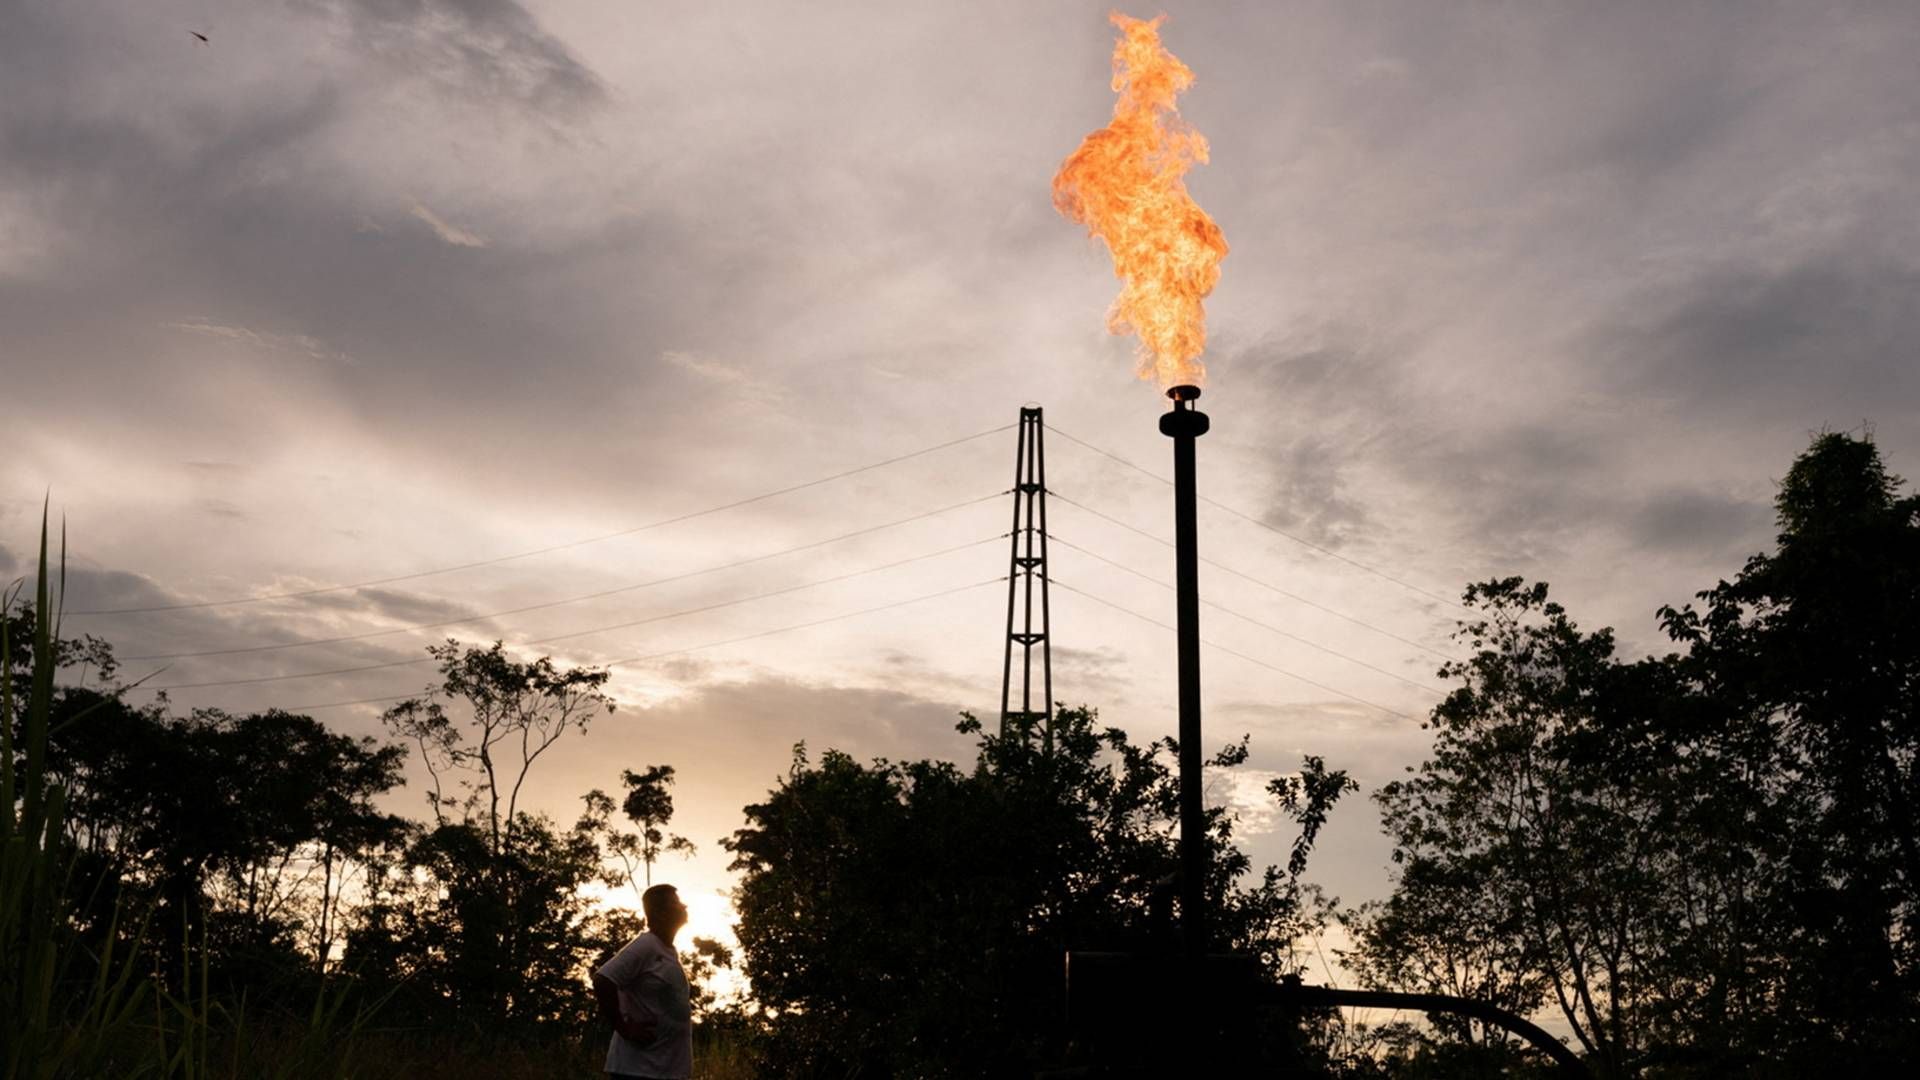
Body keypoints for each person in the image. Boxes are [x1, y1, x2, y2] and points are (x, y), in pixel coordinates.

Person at [592, 884, 693, 1080]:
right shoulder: (646, 945)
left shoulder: (667, 951)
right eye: (676, 903)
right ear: (659, 913)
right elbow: (602, 980)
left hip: (662, 1069)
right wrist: (624, 1028)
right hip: (638, 1069)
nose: (684, 906)